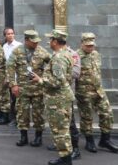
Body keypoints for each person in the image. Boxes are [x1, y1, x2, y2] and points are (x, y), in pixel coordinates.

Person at [75, 32, 118, 154]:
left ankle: (105, 140)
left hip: (99, 90)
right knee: (87, 117)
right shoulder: (75, 56)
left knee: (107, 114)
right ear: (82, 44)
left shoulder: (96, 54)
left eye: (92, 45)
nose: (90, 48)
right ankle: (89, 141)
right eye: (88, 45)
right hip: (84, 92)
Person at [33, 30, 74, 165]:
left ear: (55, 42)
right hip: (61, 98)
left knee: (60, 130)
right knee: (63, 129)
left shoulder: (58, 58)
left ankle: (66, 159)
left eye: (50, 40)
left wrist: (40, 80)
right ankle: (65, 157)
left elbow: (57, 81)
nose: (49, 42)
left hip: (58, 100)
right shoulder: (66, 54)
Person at [7, 29, 51, 148]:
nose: (36, 43)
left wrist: (46, 78)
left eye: (37, 41)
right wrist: (13, 84)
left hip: (38, 89)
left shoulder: (42, 51)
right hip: (22, 89)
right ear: (26, 40)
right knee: (22, 113)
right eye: (33, 41)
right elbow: (10, 67)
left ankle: (38, 137)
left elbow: (52, 64)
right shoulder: (17, 51)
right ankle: (23, 137)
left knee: (38, 114)